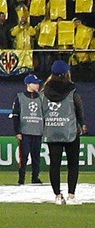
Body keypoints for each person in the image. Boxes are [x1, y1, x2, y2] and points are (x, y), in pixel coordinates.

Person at [40, 60, 86, 206]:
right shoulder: (72, 90)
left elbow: (41, 112)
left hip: (52, 132)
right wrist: (82, 123)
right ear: (67, 73)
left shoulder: (44, 91)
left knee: (55, 165)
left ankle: (58, 196)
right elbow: (78, 108)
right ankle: (71, 196)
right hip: (70, 131)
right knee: (73, 164)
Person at [12, 71, 47, 185]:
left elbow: (44, 114)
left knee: (36, 157)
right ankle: (21, 178)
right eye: (35, 83)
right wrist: (17, 131)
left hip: (37, 131)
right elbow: (16, 115)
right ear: (28, 84)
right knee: (24, 157)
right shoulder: (20, 97)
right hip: (25, 131)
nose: (38, 85)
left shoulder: (42, 98)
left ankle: (35, 178)